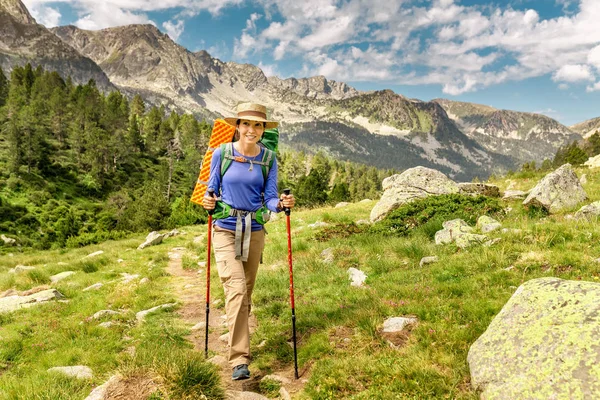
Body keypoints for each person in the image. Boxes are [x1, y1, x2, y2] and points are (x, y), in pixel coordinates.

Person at [202, 102, 295, 380]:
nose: (251, 129)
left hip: (254, 231)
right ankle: (239, 359)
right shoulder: (222, 153)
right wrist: (209, 201)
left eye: (258, 125)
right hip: (225, 229)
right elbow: (211, 189)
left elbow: (269, 197)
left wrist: (280, 203)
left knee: (246, 294)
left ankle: (235, 327)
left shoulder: (268, 158)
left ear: (263, 129)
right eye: (246, 124)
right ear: (238, 126)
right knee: (237, 290)